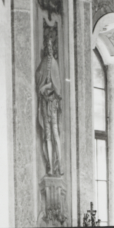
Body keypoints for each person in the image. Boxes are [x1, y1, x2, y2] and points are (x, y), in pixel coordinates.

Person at [36, 32, 64, 176]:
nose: (50, 49)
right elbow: (38, 80)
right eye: (47, 46)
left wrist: (46, 88)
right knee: (47, 136)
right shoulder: (43, 64)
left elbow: (57, 86)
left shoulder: (54, 63)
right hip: (44, 104)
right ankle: (50, 168)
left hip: (52, 104)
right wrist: (42, 88)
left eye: (51, 46)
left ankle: (60, 165)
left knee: (55, 134)